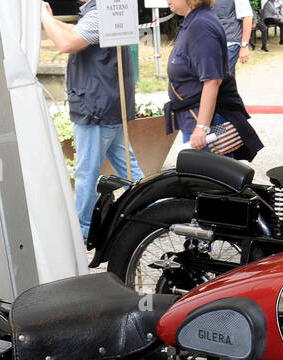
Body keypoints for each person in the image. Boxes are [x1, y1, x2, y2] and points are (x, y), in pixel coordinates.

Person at [41, 1, 143, 241]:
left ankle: (84, 231)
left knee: (87, 172)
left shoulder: (99, 13)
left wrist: (43, 18)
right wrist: (52, 19)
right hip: (107, 105)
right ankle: (151, 209)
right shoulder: (102, 10)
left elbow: (67, 43)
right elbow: (73, 35)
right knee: (129, 167)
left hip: (97, 108)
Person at [165, 0, 263, 160]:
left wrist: (202, 127)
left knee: (208, 181)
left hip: (205, 120)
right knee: (204, 180)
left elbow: (212, 80)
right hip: (197, 116)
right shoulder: (195, 21)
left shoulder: (201, 25)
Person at [211, 0, 253, 74]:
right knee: (226, 77)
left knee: (220, 75)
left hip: (230, 42)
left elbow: (247, 17)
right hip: (212, 42)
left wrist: (244, 46)